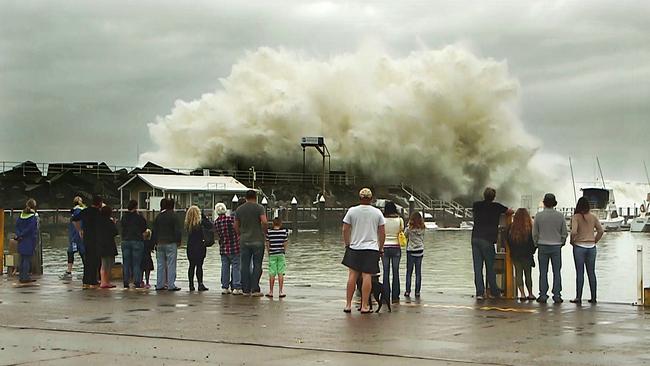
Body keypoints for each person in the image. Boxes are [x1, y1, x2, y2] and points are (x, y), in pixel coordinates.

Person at [342, 188, 386, 314]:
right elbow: (382, 232)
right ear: (371, 199)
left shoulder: (352, 211)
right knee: (367, 276)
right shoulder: (377, 213)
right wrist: (380, 247)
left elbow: (345, 229)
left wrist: (347, 244)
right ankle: (364, 305)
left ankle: (348, 305)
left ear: (360, 198)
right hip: (371, 248)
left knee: (352, 276)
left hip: (355, 247)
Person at [471, 187, 513, 300]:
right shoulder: (497, 207)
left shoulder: (476, 205)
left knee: (477, 267)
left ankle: (480, 293)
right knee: (490, 267)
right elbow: (510, 211)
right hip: (488, 239)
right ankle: (494, 291)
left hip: (475, 238)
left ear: (484, 195)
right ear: (494, 197)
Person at [533, 193, 568, 304]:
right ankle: (557, 295)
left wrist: (536, 243)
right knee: (556, 271)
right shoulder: (560, 216)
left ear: (544, 203)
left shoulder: (538, 216)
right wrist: (561, 242)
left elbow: (534, 233)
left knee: (543, 272)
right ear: (554, 203)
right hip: (556, 246)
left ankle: (543, 294)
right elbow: (564, 232)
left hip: (542, 245)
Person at [569, 197, 604, 304]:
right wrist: (594, 241)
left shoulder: (576, 217)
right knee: (591, 273)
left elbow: (574, 231)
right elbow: (601, 231)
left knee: (580, 273)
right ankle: (593, 297)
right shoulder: (593, 217)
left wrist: (572, 241)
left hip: (579, 247)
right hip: (591, 247)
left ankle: (578, 297)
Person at [235, 190, 268, 296]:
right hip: (258, 239)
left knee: (244, 265)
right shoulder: (259, 208)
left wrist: (240, 234)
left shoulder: (239, 209)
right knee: (257, 264)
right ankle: (255, 288)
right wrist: (264, 231)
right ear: (255, 197)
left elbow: (235, 225)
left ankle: (245, 289)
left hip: (244, 240)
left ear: (246, 197)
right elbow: (264, 221)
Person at [72, 195, 104, 289]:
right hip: (96, 238)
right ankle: (93, 280)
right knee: (96, 260)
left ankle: (86, 280)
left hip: (87, 238)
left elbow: (74, 219)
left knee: (88, 260)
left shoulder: (85, 211)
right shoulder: (98, 213)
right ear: (99, 203)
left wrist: (79, 230)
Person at [152, 198, 182, 291]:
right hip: (171, 242)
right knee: (171, 264)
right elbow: (177, 230)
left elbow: (154, 231)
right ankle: (171, 285)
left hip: (160, 243)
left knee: (160, 265)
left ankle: (159, 284)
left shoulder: (158, 216)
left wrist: (153, 243)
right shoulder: (174, 216)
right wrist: (178, 241)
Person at [507, 208, 537, 301]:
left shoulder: (511, 228)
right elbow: (534, 242)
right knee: (528, 274)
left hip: (515, 254)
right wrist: (532, 251)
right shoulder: (530, 228)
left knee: (518, 274)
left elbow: (508, 241)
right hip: (527, 255)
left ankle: (522, 294)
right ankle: (531, 294)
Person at [214, 202, 242, 295]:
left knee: (225, 267)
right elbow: (237, 229)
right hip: (234, 247)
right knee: (236, 267)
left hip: (223, 247)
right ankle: (236, 287)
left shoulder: (216, 222)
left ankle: (225, 287)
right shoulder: (231, 219)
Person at [120, 200, 147, 288]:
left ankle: (126, 281)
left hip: (126, 240)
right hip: (137, 241)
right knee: (136, 263)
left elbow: (122, 226)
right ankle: (137, 281)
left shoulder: (124, 217)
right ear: (136, 207)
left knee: (126, 262)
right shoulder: (139, 217)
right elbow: (144, 228)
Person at [382, 201, 403, 303]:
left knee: (386, 272)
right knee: (396, 272)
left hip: (385, 247)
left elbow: (380, 232)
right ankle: (395, 296)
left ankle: (385, 295)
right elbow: (401, 231)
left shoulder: (382, 220)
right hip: (396, 247)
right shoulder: (400, 220)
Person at [14, 199, 39, 283]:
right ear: (34, 206)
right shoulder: (33, 217)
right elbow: (30, 229)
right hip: (29, 239)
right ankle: (25, 277)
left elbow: (16, 226)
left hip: (21, 239)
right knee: (27, 259)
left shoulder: (21, 215)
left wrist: (18, 235)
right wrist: (23, 234)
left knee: (22, 258)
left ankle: (21, 276)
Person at [185, 205, 209, 292]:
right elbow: (210, 225)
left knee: (191, 266)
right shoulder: (200, 223)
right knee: (199, 266)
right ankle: (200, 284)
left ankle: (191, 285)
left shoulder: (188, 224)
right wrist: (203, 216)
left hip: (190, 246)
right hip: (200, 246)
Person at [63, 196, 85, 280]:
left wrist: (79, 231)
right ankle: (85, 270)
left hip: (76, 236)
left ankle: (69, 271)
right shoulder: (81, 210)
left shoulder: (77, 211)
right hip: (78, 235)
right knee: (82, 252)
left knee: (71, 252)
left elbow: (77, 222)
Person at [265, 217, 288, 298]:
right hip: (281, 254)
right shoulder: (284, 232)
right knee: (280, 273)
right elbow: (285, 243)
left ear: (273, 224)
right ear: (280, 224)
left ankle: (271, 292)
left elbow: (267, 243)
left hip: (272, 254)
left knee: (272, 273)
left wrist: (268, 251)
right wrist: (284, 251)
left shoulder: (269, 232)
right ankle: (281, 292)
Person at [404, 211, 425, 298]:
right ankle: (417, 292)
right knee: (418, 273)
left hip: (411, 251)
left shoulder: (409, 229)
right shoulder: (423, 228)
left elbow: (405, 235)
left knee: (409, 272)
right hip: (420, 250)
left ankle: (408, 291)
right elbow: (423, 238)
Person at [97, 205, 118, 289]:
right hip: (109, 244)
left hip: (101, 244)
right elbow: (115, 232)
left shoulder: (98, 222)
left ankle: (103, 281)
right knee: (109, 264)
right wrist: (114, 223)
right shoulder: (110, 222)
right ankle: (106, 282)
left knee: (103, 264)